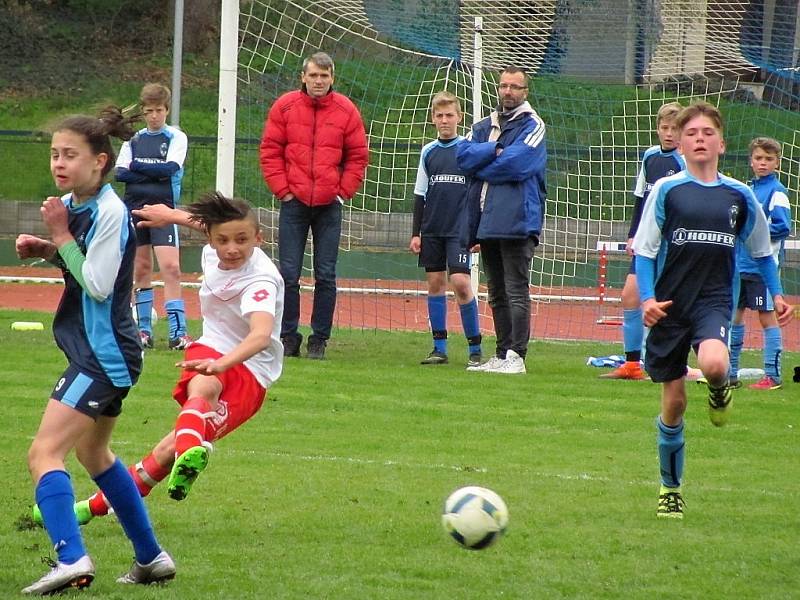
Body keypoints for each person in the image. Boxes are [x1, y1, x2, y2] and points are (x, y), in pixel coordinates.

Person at [32, 192, 284, 525]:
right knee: (203, 385)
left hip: (251, 369)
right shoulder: (215, 248)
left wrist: (224, 364)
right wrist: (170, 215)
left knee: (165, 453)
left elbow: (260, 336)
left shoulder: (261, 281)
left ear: (258, 239)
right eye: (222, 240)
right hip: (213, 347)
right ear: (210, 239)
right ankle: (192, 447)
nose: (232, 248)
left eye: (242, 240)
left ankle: (91, 508)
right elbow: (204, 223)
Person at [16, 107, 175, 594]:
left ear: (100, 162)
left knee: (44, 452)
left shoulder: (107, 211)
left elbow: (100, 285)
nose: (59, 164)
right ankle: (151, 558)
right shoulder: (76, 204)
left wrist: (61, 237)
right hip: (107, 353)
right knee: (95, 453)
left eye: (70, 155)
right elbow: (81, 261)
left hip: (101, 355)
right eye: (54, 154)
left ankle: (72, 558)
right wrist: (49, 248)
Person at [631, 101, 793, 520]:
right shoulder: (668, 191)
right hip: (670, 306)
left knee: (717, 363)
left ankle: (720, 390)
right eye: (691, 134)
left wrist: (777, 294)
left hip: (714, 301)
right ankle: (670, 488)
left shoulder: (738, 195)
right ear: (680, 144)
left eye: (706, 133)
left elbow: (761, 252)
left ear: (721, 143)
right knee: (675, 404)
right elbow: (645, 252)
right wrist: (647, 300)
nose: (699, 139)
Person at [260, 51, 369, 360]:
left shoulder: (347, 110)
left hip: (329, 206)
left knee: (326, 274)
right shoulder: (285, 106)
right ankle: (288, 336)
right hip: (293, 204)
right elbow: (270, 150)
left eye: (324, 76)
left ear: (332, 78)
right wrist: (283, 190)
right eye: (314, 75)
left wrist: (341, 192)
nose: (319, 81)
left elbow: (358, 156)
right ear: (303, 77)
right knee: (288, 274)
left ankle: (319, 339)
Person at [457, 66, 546, 375]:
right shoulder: (483, 125)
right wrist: (493, 150)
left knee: (516, 288)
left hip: (518, 219)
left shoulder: (534, 124)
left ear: (525, 92)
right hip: (485, 220)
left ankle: (517, 356)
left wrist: (482, 166)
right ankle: (501, 353)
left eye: (515, 87)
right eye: (503, 85)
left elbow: (518, 164)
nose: (508, 91)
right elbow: (462, 156)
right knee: (496, 291)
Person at [601, 102, 685, 380]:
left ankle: (664, 361)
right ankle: (632, 364)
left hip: (670, 243)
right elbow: (641, 198)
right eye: (665, 128)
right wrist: (632, 234)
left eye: (675, 128)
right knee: (630, 296)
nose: (669, 133)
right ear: (658, 129)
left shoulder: (683, 161)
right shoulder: (650, 156)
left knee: (662, 301)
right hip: (645, 241)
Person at [116, 83, 191, 350]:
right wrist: (149, 170)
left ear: (166, 110)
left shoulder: (176, 138)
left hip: (165, 210)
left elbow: (170, 168)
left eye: (158, 110)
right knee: (141, 268)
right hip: (134, 209)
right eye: (149, 111)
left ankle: (178, 332)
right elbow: (120, 173)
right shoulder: (133, 140)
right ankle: (143, 330)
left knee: (171, 267)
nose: (154, 116)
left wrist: (138, 167)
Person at [409, 91, 482, 367]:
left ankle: (475, 348)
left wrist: (476, 231)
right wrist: (416, 233)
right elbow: (420, 194)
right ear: (433, 119)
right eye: (439, 116)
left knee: (462, 283)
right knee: (435, 284)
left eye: (449, 115)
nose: (444, 120)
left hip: (460, 230)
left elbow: (477, 194)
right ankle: (439, 347)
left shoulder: (468, 149)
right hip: (433, 228)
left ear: (459, 117)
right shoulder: (428, 151)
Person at [728, 137, 792, 390]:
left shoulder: (777, 192)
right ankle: (729, 372)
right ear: (751, 161)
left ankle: (772, 375)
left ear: (777, 162)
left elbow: (783, 226)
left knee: (767, 318)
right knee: (734, 316)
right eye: (758, 158)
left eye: (768, 159)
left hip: (762, 267)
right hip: (739, 266)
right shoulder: (748, 190)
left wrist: (754, 233)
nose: (762, 163)